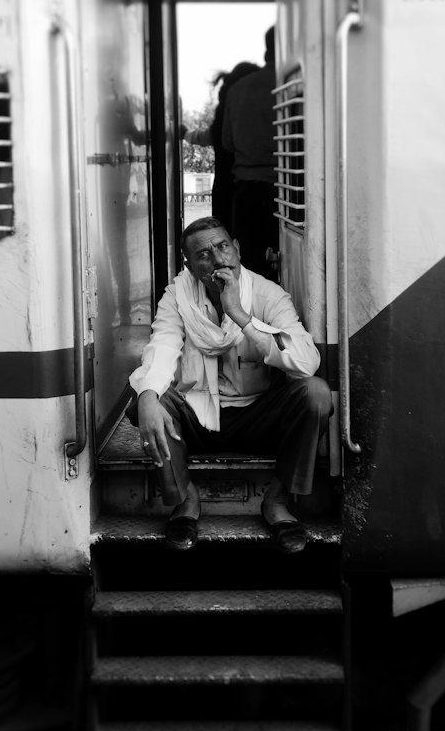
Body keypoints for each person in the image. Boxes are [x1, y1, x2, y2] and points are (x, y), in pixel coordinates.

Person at [128, 216, 332, 553]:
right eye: (204, 254)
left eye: (223, 246)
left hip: (257, 418)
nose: (218, 258)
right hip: (198, 419)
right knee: (147, 400)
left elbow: (306, 362)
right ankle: (185, 500)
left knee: (316, 394)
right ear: (190, 265)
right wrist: (148, 394)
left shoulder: (268, 294)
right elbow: (162, 346)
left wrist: (241, 315)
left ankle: (278, 502)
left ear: (236, 249)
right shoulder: (177, 296)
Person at [221, 26, 279, 276]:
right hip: (290, 193)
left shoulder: (238, 89)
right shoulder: (298, 86)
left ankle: (252, 316)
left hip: (247, 192)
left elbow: (227, 143)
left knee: (251, 269)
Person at [186, 60, 260, 233]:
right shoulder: (244, 113)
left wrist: (185, 134)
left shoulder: (224, 111)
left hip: (224, 188)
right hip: (241, 189)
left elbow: (206, 136)